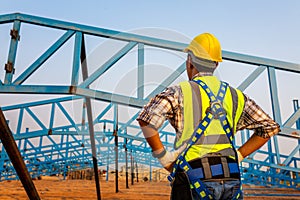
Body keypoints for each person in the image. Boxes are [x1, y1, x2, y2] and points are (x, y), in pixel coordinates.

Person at [137, 33, 280, 200]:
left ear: (190, 61)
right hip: (230, 178)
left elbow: (146, 119)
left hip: (193, 179)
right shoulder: (236, 96)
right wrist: (239, 155)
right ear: (216, 64)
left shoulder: (179, 92)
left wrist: (164, 158)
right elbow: (269, 127)